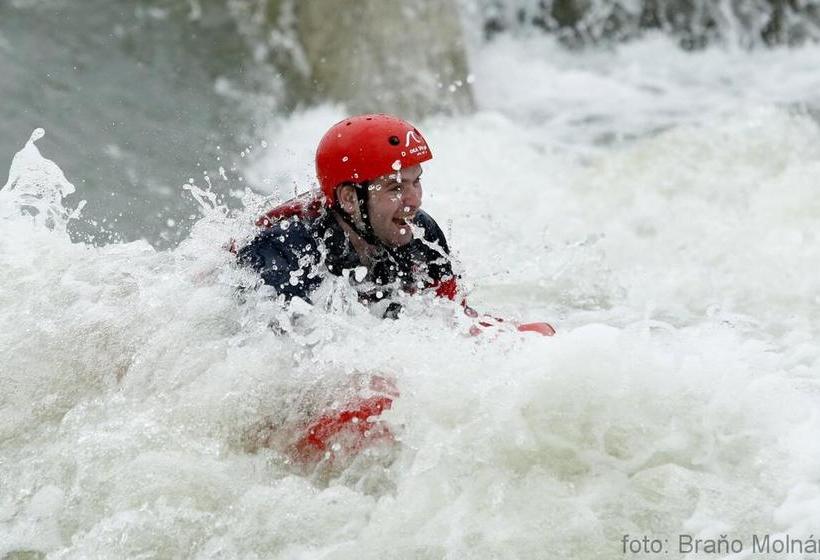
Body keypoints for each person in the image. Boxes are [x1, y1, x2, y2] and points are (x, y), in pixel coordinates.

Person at [238, 113, 458, 317]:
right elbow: (276, 348)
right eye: (395, 188)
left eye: (416, 181)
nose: (415, 200)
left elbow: (454, 314)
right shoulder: (287, 251)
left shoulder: (421, 232)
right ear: (350, 199)